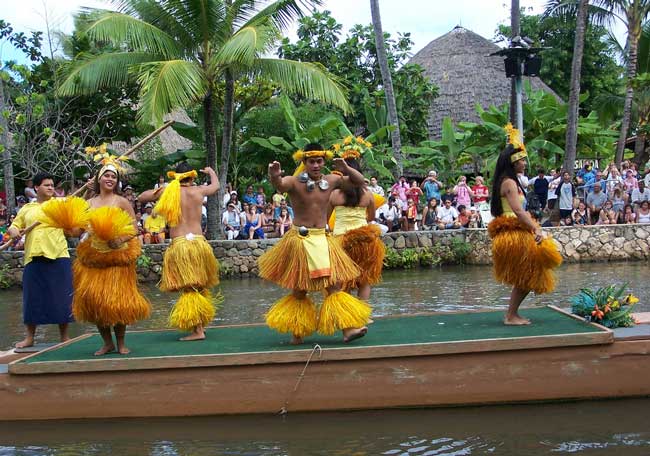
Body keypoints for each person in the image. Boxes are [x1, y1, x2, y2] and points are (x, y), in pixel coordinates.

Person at [257, 143, 369, 345]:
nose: (316, 165)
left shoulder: (332, 180)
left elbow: (359, 182)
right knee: (300, 290)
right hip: (301, 240)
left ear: (324, 163)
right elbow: (280, 185)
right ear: (305, 163)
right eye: (311, 162)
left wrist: (346, 167)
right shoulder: (294, 182)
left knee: (334, 286)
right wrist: (273, 175)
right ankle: (297, 334)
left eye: (319, 161)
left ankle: (348, 330)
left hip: (323, 239)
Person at [73, 158, 151, 355]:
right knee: (95, 303)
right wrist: (67, 225)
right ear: (99, 179)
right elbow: (77, 231)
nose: (110, 179)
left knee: (119, 303)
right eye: (106, 175)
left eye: (113, 177)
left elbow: (134, 228)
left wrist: (120, 239)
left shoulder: (122, 201)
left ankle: (121, 343)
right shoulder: (88, 203)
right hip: (95, 259)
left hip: (117, 257)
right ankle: (107, 343)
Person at [487, 124, 562, 326]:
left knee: (527, 274)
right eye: (521, 160)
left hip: (515, 231)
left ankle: (512, 314)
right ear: (513, 162)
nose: (524, 163)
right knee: (528, 273)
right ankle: (511, 316)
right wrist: (536, 228)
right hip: (514, 232)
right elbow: (519, 212)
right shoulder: (509, 183)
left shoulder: (509, 181)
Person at [139, 163, 221, 341]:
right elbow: (216, 186)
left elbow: (141, 197)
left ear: (175, 176)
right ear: (192, 177)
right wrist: (211, 172)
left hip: (181, 245)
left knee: (189, 288)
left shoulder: (170, 192)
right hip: (200, 244)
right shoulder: (199, 191)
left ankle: (198, 331)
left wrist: (164, 189)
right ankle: (200, 326)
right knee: (198, 286)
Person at [7, 173, 75, 349]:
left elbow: (78, 202)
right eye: (47, 185)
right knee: (32, 298)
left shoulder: (60, 204)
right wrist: (14, 231)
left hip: (58, 254)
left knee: (62, 297)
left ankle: (64, 336)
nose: (51, 188)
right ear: (37, 187)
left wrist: (90, 189)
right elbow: (14, 226)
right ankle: (30, 337)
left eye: (52, 185)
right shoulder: (26, 209)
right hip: (33, 256)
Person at [328, 151, 385, 302]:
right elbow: (371, 217)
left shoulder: (334, 195)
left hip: (340, 241)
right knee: (364, 280)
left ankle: (348, 317)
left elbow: (326, 219)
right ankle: (362, 315)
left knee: (342, 280)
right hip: (364, 240)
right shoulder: (368, 194)